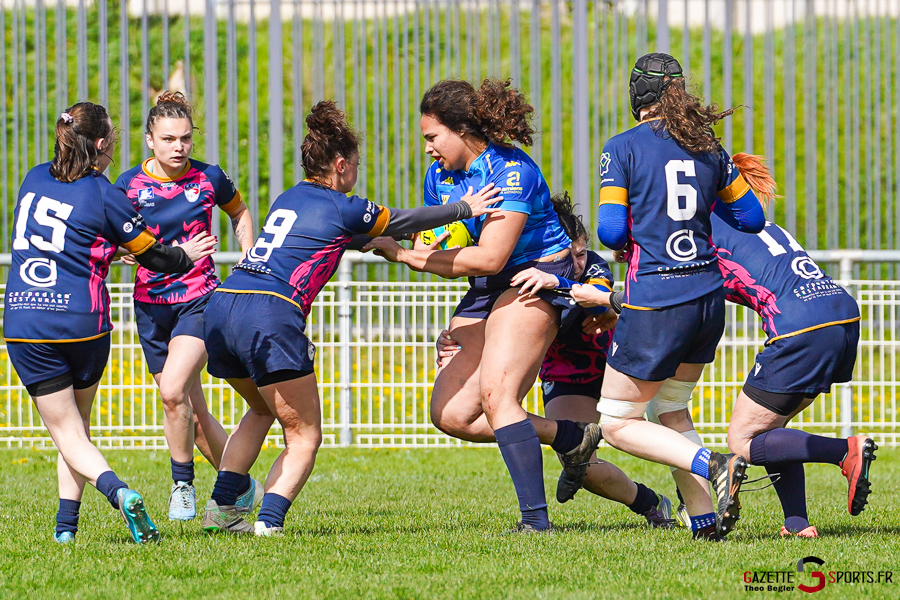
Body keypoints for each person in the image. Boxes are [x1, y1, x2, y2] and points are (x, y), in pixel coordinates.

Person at [200, 100, 503, 535]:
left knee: (262, 409)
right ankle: (268, 525)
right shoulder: (341, 205)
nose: (357, 173)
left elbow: (353, 236)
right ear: (341, 165)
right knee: (304, 435)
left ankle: (222, 509)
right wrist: (463, 208)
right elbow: (396, 219)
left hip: (224, 305)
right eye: (356, 165)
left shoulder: (290, 197)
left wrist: (397, 241)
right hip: (269, 312)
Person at [363, 79, 604, 533]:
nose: (428, 148)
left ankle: (535, 522)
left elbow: (491, 256)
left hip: (535, 275)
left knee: (498, 397)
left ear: (460, 130)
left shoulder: (512, 171)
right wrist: (400, 237)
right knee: (451, 415)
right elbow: (439, 247)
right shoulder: (438, 177)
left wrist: (404, 255)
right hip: (488, 284)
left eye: (432, 137)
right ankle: (570, 437)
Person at [572, 53, 766, 539]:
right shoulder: (710, 148)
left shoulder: (622, 147)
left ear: (636, 95)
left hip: (657, 298)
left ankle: (715, 464)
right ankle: (704, 521)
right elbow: (752, 218)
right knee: (670, 409)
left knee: (616, 423)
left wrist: (643, 230)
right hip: (708, 299)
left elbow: (610, 231)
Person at [3, 102, 215, 543]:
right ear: (102, 143)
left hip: (25, 320)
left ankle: (80, 520)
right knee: (76, 427)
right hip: (83, 324)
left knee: (68, 434)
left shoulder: (33, 178)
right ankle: (92, 510)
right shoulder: (103, 192)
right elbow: (156, 256)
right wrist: (186, 255)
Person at [435, 192, 677, 529]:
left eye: (580, 253)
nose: (576, 262)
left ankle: (697, 495)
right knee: (582, 466)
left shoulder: (592, 266)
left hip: (612, 366)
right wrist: (454, 337)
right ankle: (651, 503)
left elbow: (597, 301)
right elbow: (494, 322)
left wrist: (561, 283)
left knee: (666, 421)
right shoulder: (522, 272)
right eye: (569, 254)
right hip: (567, 375)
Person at [114, 91, 259, 521]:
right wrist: (124, 251)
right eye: (168, 139)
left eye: (185, 138)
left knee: (173, 390)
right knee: (188, 417)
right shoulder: (127, 185)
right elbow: (110, 237)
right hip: (149, 306)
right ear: (149, 140)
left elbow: (240, 212)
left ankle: (182, 486)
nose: (178, 147)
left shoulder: (210, 177)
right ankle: (241, 486)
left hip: (199, 300)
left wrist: (248, 260)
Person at [715, 154, 873, 537]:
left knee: (743, 439)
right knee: (772, 431)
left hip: (799, 326)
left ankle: (845, 451)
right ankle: (797, 523)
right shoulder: (767, 226)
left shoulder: (707, 231)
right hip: (840, 313)